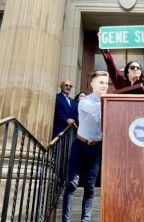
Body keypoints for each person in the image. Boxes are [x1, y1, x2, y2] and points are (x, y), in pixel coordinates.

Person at [62, 71, 109, 222]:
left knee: (90, 187)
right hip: (80, 146)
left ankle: (85, 220)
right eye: (101, 82)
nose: (105, 85)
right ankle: (66, 220)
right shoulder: (85, 101)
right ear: (93, 84)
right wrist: (111, 102)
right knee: (71, 184)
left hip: (96, 149)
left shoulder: (108, 101)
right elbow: (97, 109)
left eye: (106, 83)